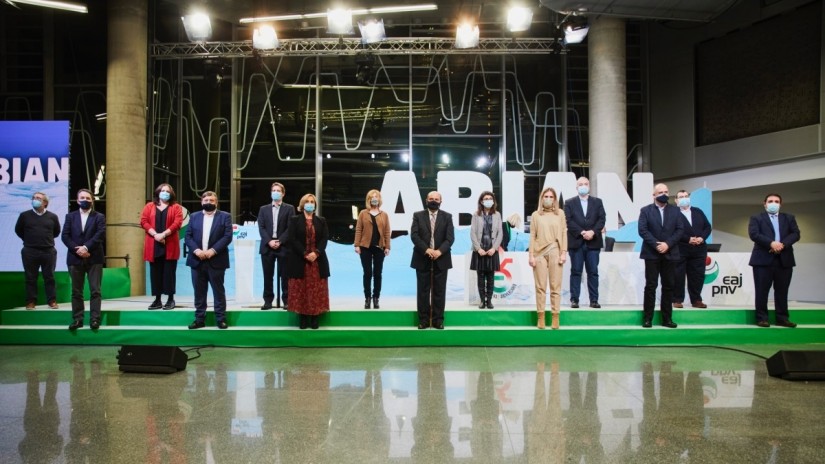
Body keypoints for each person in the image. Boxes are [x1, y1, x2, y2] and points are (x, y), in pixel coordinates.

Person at [748, 193, 800, 328]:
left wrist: (781, 244)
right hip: (762, 260)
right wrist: (771, 243)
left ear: (780, 204)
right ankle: (761, 318)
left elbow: (795, 234)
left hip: (784, 259)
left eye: (776, 201)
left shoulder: (789, 218)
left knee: (782, 290)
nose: (773, 203)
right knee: (761, 290)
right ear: (765, 204)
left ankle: (782, 318)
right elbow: (754, 234)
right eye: (770, 201)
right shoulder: (756, 218)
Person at [184, 191, 233, 329]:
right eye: (206, 200)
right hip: (197, 260)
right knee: (199, 292)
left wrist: (212, 251)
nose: (208, 202)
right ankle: (199, 319)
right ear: (201, 202)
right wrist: (197, 251)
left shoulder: (225, 216)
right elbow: (188, 237)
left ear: (216, 202)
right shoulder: (193, 217)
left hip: (216, 260)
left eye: (211, 200)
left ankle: (221, 319)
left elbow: (227, 236)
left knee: (218, 291)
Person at [638, 183, 683, 329]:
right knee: (651, 286)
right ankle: (647, 319)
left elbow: (680, 230)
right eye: (660, 192)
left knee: (668, 286)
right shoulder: (645, 211)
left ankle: (667, 319)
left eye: (666, 191)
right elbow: (643, 231)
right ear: (654, 195)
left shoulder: (676, 211)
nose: (664, 194)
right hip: (651, 253)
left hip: (670, 253)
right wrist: (657, 244)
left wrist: (667, 244)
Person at [61, 189, 106, 331]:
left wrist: (86, 247)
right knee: (76, 291)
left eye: (88, 197)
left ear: (92, 200)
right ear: (77, 199)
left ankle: (94, 319)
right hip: (75, 259)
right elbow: (65, 236)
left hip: (94, 258)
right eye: (82, 197)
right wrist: (78, 249)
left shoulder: (99, 216)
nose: (85, 199)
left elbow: (100, 234)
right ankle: (78, 319)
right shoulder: (70, 217)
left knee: (95, 291)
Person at [410, 191, 454, 329]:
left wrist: (439, 251)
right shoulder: (418, 215)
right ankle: (423, 320)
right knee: (423, 291)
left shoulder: (447, 217)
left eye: (436, 199)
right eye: (431, 199)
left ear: (441, 201)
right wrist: (427, 250)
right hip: (422, 257)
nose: (433, 201)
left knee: (439, 291)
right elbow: (414, 236)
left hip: (441, 258)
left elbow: (450, 238)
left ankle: (438, 320)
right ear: (426, 200)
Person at [285, 194, 330, 329]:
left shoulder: (321, 220)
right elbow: (292, 239)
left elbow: (324, 238)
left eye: (312, 202)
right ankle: (303, 318)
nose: (310, 204)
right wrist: (305, 254)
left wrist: (316, 253)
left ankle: (315, 318)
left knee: (316, 290)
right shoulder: (294, 220)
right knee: (301, 289)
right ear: (302, 204)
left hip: (317, 261)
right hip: (300, 260)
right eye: (307, 202)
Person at [563, 176, 606, 309]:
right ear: (576, 187)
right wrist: (582, 232)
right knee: (576, 271)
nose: (583, 186)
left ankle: (594, 300)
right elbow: (568, 221)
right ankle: (574, 299)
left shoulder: (598, 202)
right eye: (580, 184)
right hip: (576, 242)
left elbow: (602, 219)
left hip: (593, 242)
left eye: (585, 184)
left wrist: (593, 232)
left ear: (589, 186)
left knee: (593, 271)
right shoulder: (569, 203)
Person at [528, 187, 567, 329]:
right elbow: (532, 235)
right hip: (539, 253)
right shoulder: (536, 215)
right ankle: (541, 317)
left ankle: (555, 316)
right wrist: (531, 255)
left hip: (555, 251)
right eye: (546, 196)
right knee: (540, 287)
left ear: (555, 199)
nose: (548, 199)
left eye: (551, 197)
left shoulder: (560, 214)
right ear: (541, 198)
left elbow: (563, 233)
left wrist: (564, 252)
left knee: (555, 286)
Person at [140, 183, 184, 310]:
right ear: (158, 192)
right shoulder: (149, 206)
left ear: (171, 194)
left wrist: (164, 234)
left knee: (169, 273)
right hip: (153, 244)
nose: (165, 193)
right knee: (155, 273)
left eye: (168, 191)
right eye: (163, 190)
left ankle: (170, 299)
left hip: (170, 244)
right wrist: (155, 235)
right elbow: (143, 221)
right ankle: (157, 300)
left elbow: (177, 223)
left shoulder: (175, 207)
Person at [15, 191, 61, 310]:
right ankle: (31, 302)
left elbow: (56, 232)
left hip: (48, 251)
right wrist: (30, 240)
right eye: (34, 198)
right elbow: (18, 230)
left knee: (49, 277)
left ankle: (52, 301)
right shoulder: (24, 216)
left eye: (38, 198)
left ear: (45, 202)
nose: (35, 200)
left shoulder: (52, 217)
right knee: (30, 278)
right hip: (30, 251)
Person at [257, 182, 295, 310]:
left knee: (285, 275)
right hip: (267, 246)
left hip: (283, 246)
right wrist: (269, 241)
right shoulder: (263, 209)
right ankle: (268, 301)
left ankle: (287, 300)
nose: (276, 192)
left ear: (283, 193)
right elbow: (261, 227)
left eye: (278, 190)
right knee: (268, 275)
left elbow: (290, 227)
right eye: (274, 190)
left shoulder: (289, 208)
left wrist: (280, 241)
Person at [673, 190, 712, 309]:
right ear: (676, 200)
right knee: (678, 275)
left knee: (697, 275)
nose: (684, 198)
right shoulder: (673, 213)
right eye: (681, 197)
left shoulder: (698, 211)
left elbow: (707, 227)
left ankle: (696, 299)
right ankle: (677, 299)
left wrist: (702, 238)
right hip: (681, 248)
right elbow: (673, 231)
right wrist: (688, 239)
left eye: (686, 196)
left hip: (699, 249)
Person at [354, 189, 391, 309]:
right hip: (365, 247)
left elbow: (387, 231)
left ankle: (376, 298)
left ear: (379, 199)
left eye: (376, 197)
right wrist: (357, 245)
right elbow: (358, 229)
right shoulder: (363, 213)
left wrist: (387, 246)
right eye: (372, 197)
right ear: (368, 199)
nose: (374, 199)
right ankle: (367, 298)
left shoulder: (384, 215)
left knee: (378, 273)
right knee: (367, 273)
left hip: (379, 247)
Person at [469, 191, 502, 309]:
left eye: (490, 198)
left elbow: (500, 234)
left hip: (492, 249)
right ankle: (483, 300)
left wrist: (494, 248)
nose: (488, 200)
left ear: (493, 201)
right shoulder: (476, 215)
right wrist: (478, 249)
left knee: (491, 277)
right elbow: (472, 233)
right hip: (480, 250)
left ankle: (490, 301)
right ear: (481, 202)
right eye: (485, 198)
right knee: (481, 276)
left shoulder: (497, 215)